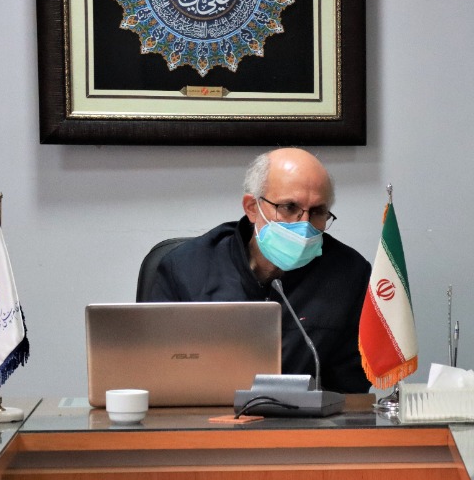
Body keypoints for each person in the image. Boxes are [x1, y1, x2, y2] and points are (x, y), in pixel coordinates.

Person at [144, 148, 372, 394]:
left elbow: (351, 388)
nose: (304, 225)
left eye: (317, 212)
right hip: (205, 413)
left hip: (306, 416)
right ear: (252, 207)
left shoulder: (349, 274)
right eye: (289, 207)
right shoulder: (185, 268)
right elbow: (155, 372)